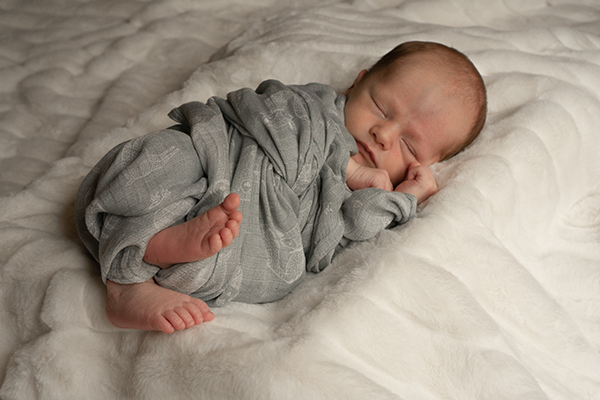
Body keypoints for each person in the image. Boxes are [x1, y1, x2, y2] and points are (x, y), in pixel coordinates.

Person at [75, 41, 487, 334]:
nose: (383, 133)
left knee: (275, 264)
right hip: (218, 161)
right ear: (357, 84)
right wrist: (345, 165)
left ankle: (155, 257)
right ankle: (137, 268)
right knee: (167, 158)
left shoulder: (374, 193)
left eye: (408, 144)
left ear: (424, 164)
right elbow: (266, 108)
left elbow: (346, 230)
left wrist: (405, 198)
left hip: (259, 225)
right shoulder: (314, 108)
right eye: (381, 107)